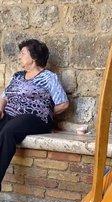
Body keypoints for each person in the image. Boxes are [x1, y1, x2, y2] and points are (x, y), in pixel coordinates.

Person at [0, 39, 69, 190]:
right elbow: (4, 96)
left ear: (34, 57)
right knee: (7, 126)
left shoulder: (48, 77)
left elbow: (63, 103)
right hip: (11, 114)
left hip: (36, 118)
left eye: (23, 53)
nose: (19, 56)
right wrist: (0, 108)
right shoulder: (17, 76)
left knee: (8, 131)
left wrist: (43, 110)